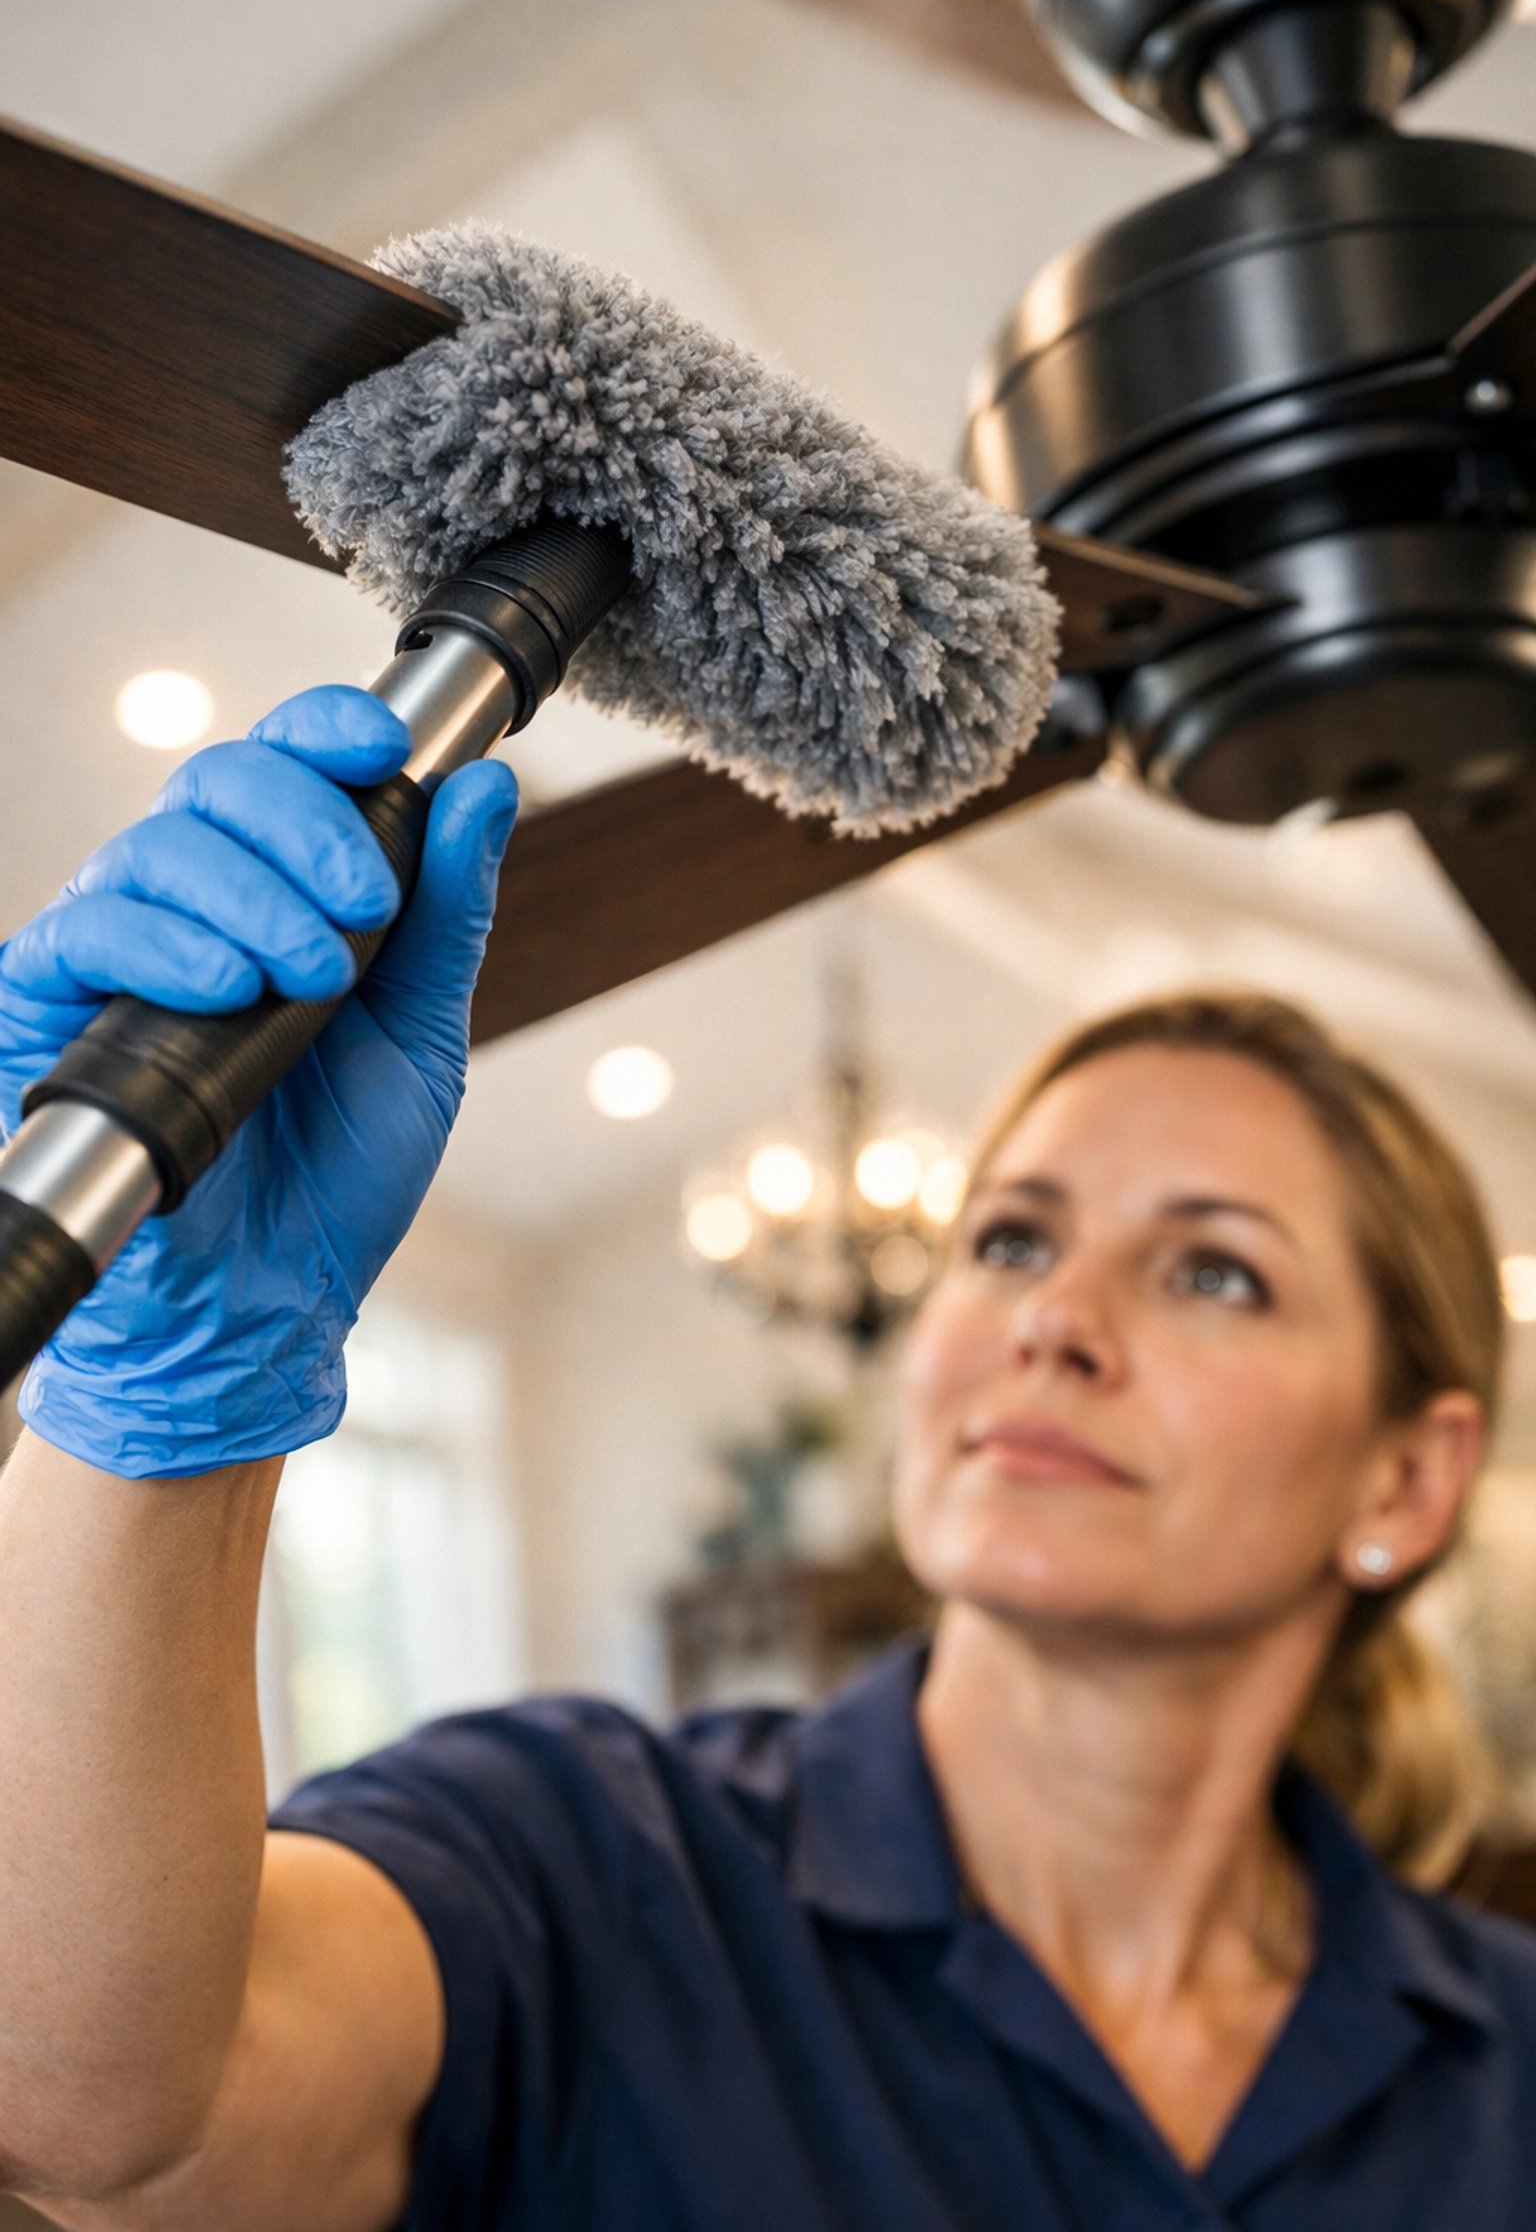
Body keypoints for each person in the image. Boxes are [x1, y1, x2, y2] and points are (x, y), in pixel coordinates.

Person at [0, 685, 1531, 2232]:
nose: (1056, 1321)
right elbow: (91, 2119)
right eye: (1012, 1241)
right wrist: (160, 1403)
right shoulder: (583, 1862)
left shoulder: (1511, 2059)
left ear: (1407, 1482)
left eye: (1214, 1272)